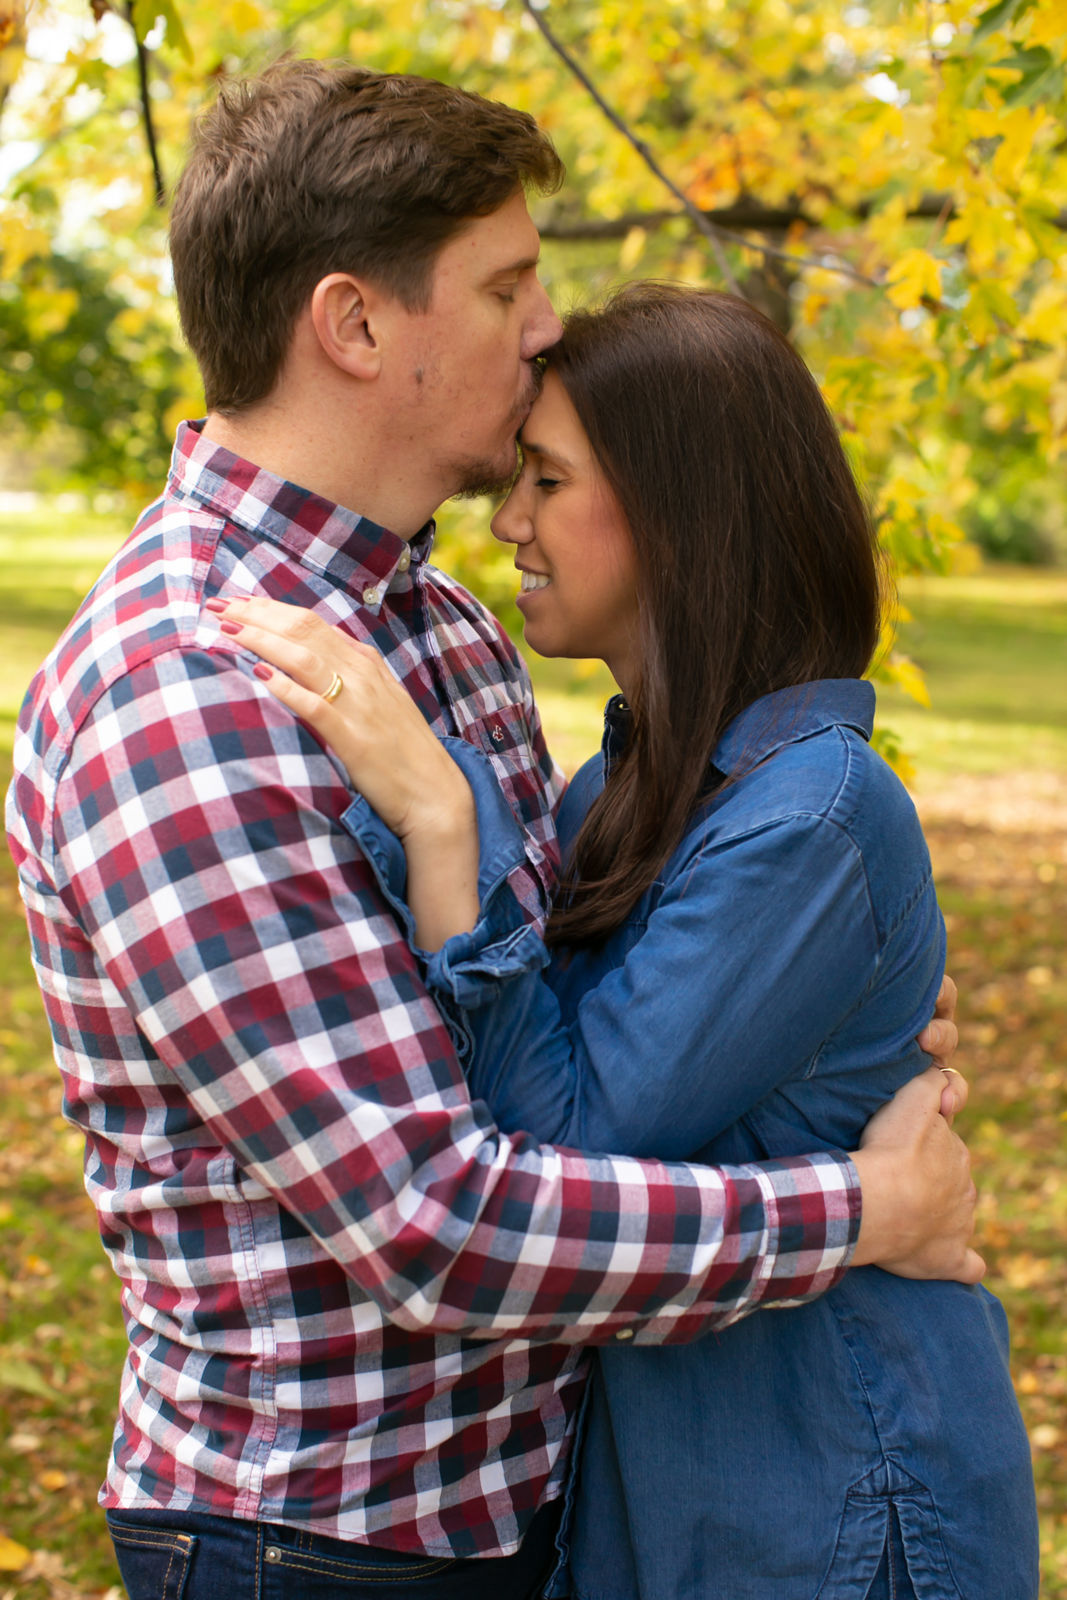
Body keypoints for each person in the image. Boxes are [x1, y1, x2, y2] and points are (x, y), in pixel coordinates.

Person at [6, 62, 977, 1600]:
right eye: (508, 282)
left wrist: (817, 1017)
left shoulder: (446, 633)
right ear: (358, 323)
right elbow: (430, 1222)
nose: (544, 325)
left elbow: (552, 1033)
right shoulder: (186, 691)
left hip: (538, 1503)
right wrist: (856, 1210)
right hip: (325, 1541)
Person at [218, 283, 1039, 1600]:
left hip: (829, 1482)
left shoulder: (814, 814)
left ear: (675, 515)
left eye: (548, 480)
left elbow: (573, 1138)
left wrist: (439, 818)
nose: (510, 521)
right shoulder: (620, 795)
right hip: (674, 1480)